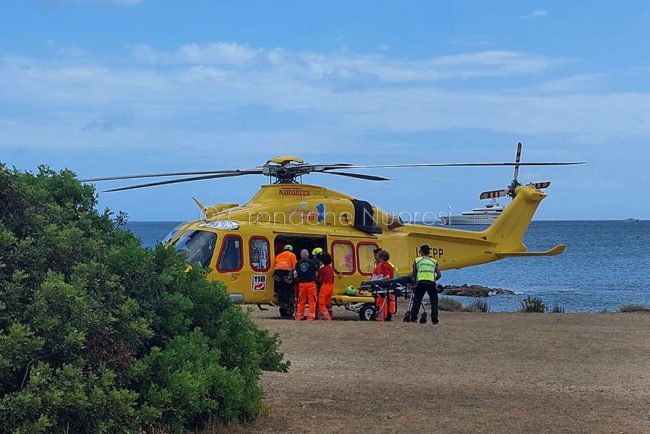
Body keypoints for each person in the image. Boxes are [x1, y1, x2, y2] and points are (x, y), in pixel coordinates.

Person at [406, 245, 442, 324]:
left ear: (421, 252)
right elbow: (439, 274)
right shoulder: (433, 261)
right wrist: (434, 279)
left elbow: (414, 274)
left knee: (417, 301)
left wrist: (413, 281)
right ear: (429, 252)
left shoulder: (417, 260)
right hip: (431, 283)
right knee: (434, 302)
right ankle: (434, 319)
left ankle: (414, 318)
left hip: (421, 282)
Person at [294, 249, 319, 321]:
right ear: (308, 255)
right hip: (311, 284)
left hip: (301, 284)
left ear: (301, 255)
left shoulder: (297, 263)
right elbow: (316, 274)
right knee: (312, 301)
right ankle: (311, 317)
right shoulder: (312, 263)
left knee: (301, 301)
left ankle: (299, 316)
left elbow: (295, 274)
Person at [273, 244, 297, 314]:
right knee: (287, 287)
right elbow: (294, 265)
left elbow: (276, 263)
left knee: (280, 287)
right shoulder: (292, 255)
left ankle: (281, 301)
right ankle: (286, 302)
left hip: (277, 272)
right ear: (291, 249)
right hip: (286, 271)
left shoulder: (279, 255)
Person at [372, 249, 394, 321]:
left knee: (383, 299)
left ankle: (384, 314)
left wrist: (378, 281)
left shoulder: (384, 265)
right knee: (387, 300)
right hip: (389, 285)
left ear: (381, 258)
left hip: (385, 286)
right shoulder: (389, 265)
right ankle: (387, 314)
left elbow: (387, 277)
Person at [317, 253, 334, 321]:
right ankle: (328, 315)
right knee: (327, 303)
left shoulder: (322, 269)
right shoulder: (331, 268)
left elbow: (320, 280)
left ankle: (326, 317)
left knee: (321, 303)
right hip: (331, 286)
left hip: (325, 286)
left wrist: (314, 279)